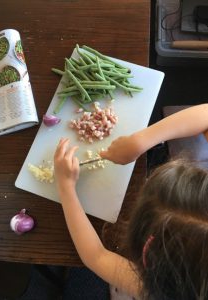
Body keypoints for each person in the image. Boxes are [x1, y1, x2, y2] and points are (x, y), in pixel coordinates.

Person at [54, 104, 208, 300]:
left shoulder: (156, 290)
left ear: (146, 251)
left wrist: (66, 188)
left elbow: (96, 256)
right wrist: (139, 141)